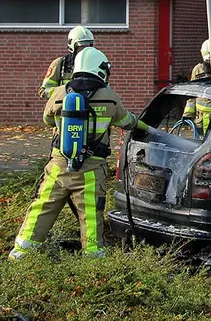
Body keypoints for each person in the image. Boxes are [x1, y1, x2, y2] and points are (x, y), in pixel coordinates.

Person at [10, 47, 150, 260]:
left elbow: (47, 120)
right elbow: (126, 121)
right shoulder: (109, 97)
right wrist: (145, 127)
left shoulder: (59, 92)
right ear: (100, 69)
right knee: (91, 216)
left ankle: (20, 254)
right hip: (91, 170)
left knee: (41, 209)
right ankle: (93, 262)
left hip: (58, 165)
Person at [38, 25, 96, 100]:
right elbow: (43, 91)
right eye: (81, 46)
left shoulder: (95, 65)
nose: (85, 50)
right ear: (72, 46)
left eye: (88, 47)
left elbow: (105, 90)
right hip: (64, 109)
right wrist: (64, 91)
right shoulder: (60, 64)